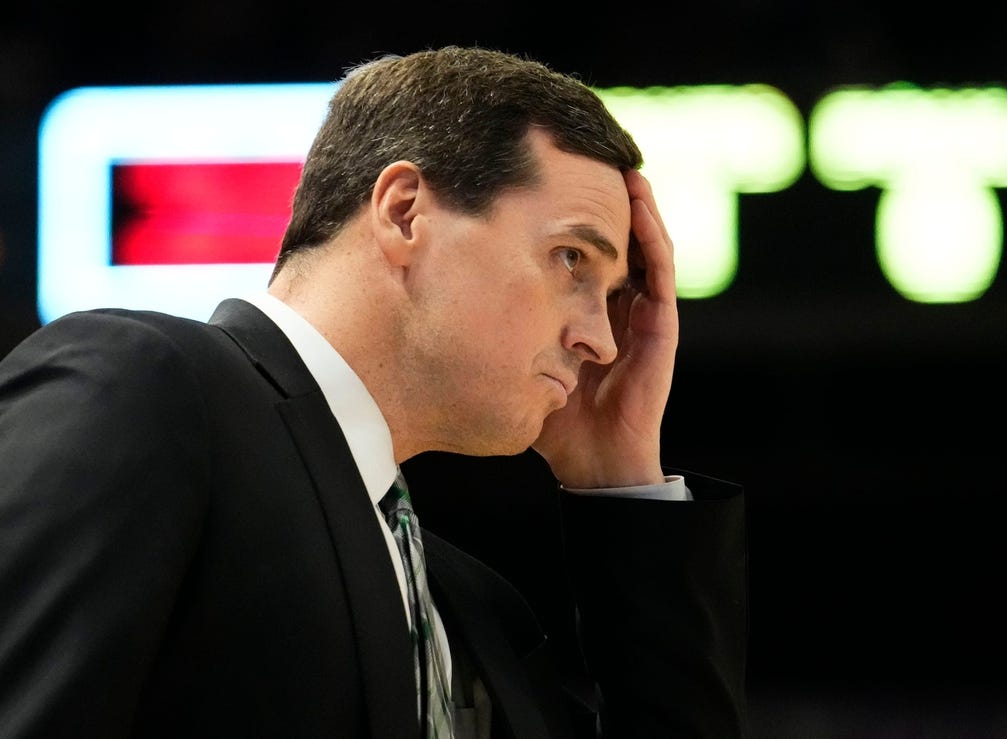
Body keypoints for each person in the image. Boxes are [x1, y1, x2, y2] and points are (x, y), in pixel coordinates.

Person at [0, 46, 746, 738]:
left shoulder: (470, 606)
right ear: (403, 212)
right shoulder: (145, 385)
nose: (604, 341)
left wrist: (622, 484)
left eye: (612, 295)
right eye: (572, 259)